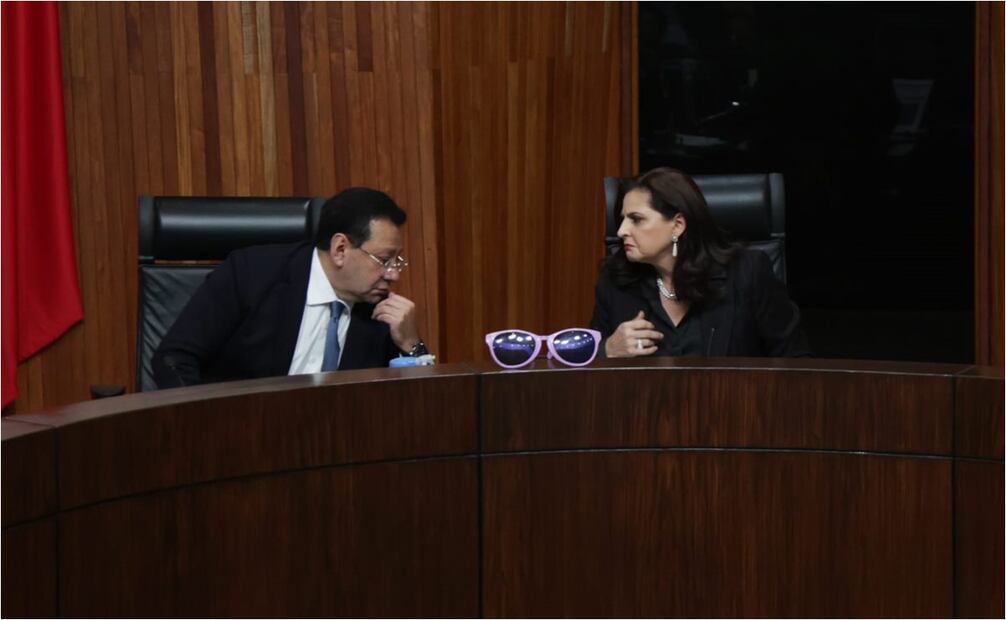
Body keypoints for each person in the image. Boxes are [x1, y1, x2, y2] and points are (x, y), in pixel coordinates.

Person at [152, 187, 429, 388]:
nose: (393, 274)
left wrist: (411, 344)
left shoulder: (382, 312)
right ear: (340, 249)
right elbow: (174, 359)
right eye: (383, 260)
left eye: (397, 261)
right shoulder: (251, 275)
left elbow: (417, 408)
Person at [591, 167, 809, 358]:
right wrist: (607, 350)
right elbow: (584, 373)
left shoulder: (748, 272)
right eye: (622, 220)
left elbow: (794, 362)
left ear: (677, 225)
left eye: (637, 219)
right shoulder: (615, 282)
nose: (621, 231)